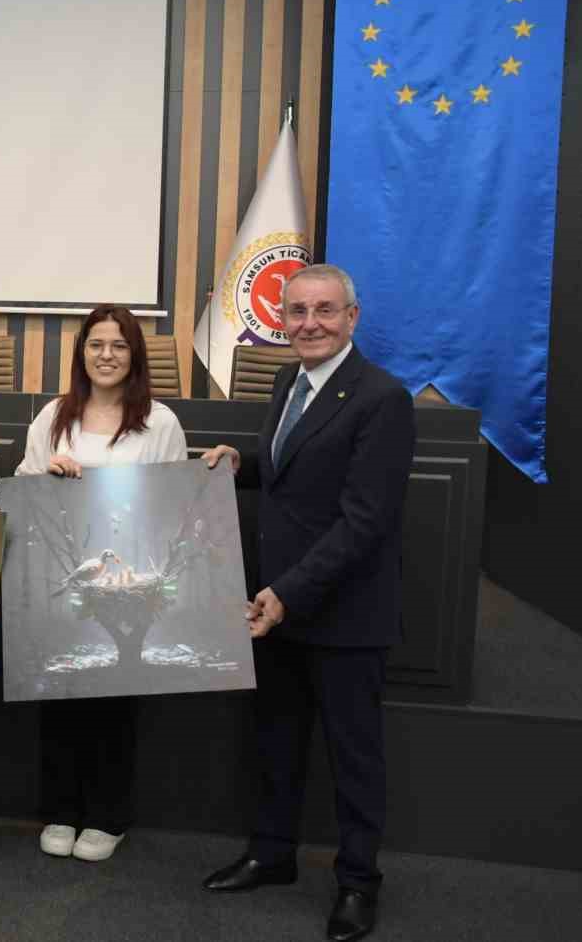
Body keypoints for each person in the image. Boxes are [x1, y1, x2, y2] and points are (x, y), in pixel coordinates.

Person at [200, 263, 414, 942]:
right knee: (276, 741)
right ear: (282, 319)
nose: (310, 323)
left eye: (325, 310)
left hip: (342, 613)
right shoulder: (286, 382)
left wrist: (286, 593)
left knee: (354, 759)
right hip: (279, 607)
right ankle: (271, 855)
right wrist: (245, 462)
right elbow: (293, 468)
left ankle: (358, 883)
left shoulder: (383, 399)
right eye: (297, 311)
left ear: (352, 317)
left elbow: (363, 521)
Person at [14, 304, 187, 862]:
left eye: (118, 345)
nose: (106, 355)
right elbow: (22, 491)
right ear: (81, 353)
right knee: (61, 693)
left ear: (134, 355)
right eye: (95, 344)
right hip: (62, 575)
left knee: (115, 698)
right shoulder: (52, 417)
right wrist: (48, 477)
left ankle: (108, 815)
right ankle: (61, 808)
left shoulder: (159, 422)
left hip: (129, 581)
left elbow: (173, 503)